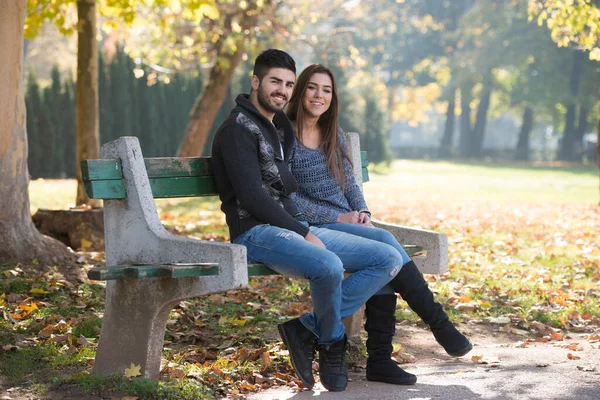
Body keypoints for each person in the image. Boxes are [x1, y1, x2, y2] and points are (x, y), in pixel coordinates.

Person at [211, 49, 406, 392]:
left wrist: (310, 225)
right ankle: (332, 345)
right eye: (275, 81)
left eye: (287, 84)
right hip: (254, 232)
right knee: (329, 265)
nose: (282, 90)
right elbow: (253, 198)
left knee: (387, 257)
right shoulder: (236, 130)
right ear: (255, 81)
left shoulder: (275, 126)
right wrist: (303, 230)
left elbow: (289, 190)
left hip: (293, 226)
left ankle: (305, 329)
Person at [287, 64, 473, 386]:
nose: (319, 95)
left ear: (333, 97)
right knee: (385, 245)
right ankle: (432, 328)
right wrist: (337, 217)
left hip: (348, 221)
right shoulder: (283, 135)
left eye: (326, 90)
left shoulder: (335, 134)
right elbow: (286, 198)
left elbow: (351, 184)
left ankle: (383, 360)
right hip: (314, 225)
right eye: (313, 88)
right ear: (301, 90)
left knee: (382, 247)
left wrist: (362, 210)